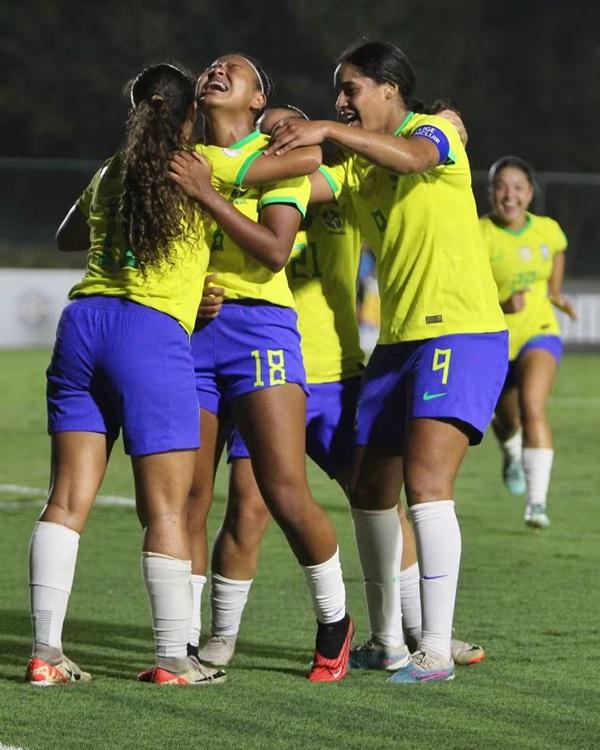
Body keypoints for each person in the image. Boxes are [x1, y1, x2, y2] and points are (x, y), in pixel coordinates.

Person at [195, 106, 485, 673]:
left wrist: (445, 120)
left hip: (336, 378)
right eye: (268, 129)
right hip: (264, 374)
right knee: (248, 510)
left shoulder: (341, 195)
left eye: (288, 126)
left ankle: (421, 632)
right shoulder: (243, 202)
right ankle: (220, 639)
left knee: (379, 501)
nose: (277, 136)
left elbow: (385, 168)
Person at [267, 40, 508, 684]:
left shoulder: (431, 130)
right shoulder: (353, 169)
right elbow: (295, 187)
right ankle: (386, 642)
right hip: (396, 345)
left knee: (427, 485)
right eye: (336, 92)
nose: (340, 101)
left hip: (460, 333)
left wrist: (319, 127)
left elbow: (416, 157)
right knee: (372, 492)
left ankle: (433, 647)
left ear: (390, 89)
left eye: (350, 89)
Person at [25, 62, 229, 687]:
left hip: (83, 324)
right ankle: (172, 659)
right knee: (166, 508)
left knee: (65, 498)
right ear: (189, 113)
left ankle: (44, 654)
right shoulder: (200, 169)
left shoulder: (112, 171)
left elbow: (68, 236)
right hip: (149, 332)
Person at [167, 58, 352, 682]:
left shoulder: (280, 155)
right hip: (194, 333)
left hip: (261, 332)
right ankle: (187, 641)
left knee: (279, 489)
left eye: (234, 69)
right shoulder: (186, 159)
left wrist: (208, 194)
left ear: (257, 99)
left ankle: (334, 620)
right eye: (212, 66)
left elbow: (275, 249)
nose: (216, 69)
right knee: (187, 495)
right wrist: (187, 292)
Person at [480, 156, 577, 528]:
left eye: (518, 187)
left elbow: (556, 253)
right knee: (507, 419)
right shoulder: (478, 233)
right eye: (502, 186)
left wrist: (555, 293)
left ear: (530, 193)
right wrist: (502, 303)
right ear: (491, 192)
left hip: (540, 330)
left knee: (533, 405)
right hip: (495, 337)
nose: (510, 195)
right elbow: (467, 288)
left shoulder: (547, 230)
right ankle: (510, 451)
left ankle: (536, 504)